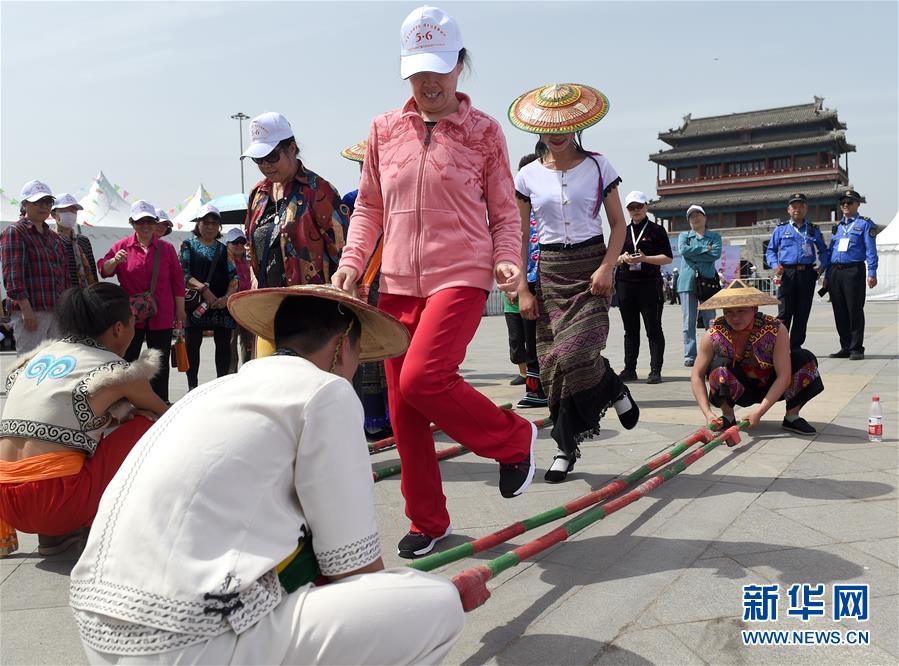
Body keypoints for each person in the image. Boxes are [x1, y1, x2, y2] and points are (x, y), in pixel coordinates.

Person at [69, 284, 464, 665]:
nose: (355, 369)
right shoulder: (326, 391)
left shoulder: (212, 390)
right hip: (190, 642)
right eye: (358, 355)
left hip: (96, 627)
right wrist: (392, 601)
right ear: (342, 346)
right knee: (437, 602)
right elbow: (352, 566)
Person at [332, 5, 537, 558]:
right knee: (404, 410)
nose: (428, 82)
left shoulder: (484, 132)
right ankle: (428, 521)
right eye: (418, 70)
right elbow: (369, 208)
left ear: (460, 66)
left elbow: (504, 210)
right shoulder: (383, 130)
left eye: (439, 68)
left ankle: (515, 440)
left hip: (462, 274)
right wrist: (353, 262)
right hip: (396, 283)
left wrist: (507, 261)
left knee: (424, 379)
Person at [510, 82, 639, 483]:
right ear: (538, 128)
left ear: (578, 122)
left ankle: (610, 390)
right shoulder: (527, 176)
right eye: (549, 125)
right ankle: (567, 446)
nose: (557, 130)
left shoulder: (600, 166)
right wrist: (523, 289)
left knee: (577, 351)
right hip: (549, 270)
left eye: (565, 123)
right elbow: (518, 234)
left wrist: (607, 267)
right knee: (553, 366)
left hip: (591, 265)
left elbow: (618, 224)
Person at [0, 283, 168, 559]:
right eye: (132, 324)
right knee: (146, 425)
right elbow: (166, 416)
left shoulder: (35, 359)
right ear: (118, 328)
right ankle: (107, 527)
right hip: (56, 502)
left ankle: (54, 538)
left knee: (84, 433)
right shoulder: (115, 370)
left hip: (6, 501)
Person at [691, 280, 823, 434]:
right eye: (729, 312)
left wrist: (759, 412)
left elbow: (784, 376)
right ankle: (727, 415)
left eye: (741, 311)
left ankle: (792, 416)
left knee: (804, 358)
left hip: (771, 384)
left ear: (754, 309)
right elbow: (696, 375)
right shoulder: (713, 334)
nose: (735, 318)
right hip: (739, 388)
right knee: (720, 366)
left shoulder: (776, 330)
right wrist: (707, 413)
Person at [243, 112, 349, 291]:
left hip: (313, 309)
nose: (265, 165)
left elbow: (344, 250)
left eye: (271, 156)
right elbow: (250, 247)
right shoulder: (258, 194)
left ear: (291, 148)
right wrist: (255, 279)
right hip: (269, 306)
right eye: (258, 159)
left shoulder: (318, 191)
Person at [98, 200, 186, 402]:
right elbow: (104, 270)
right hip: (131, 316)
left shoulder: (166, 249)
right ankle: (127, 402)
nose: (145, 226)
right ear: (132, 223)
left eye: (149, 221)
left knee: (159, 364)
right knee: (128, 360)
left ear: (155, 223)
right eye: (140, 222)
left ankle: (159, 402)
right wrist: (114, 261)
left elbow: (177, 281)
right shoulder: (122, 246)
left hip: (162, 314)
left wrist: (180, 311)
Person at [341, 139, 393, 439]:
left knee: (395, 345)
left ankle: (397, 413)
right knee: (366, 351)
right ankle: (372, 416)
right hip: (363, 279)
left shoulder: (398, 193)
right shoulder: (351, 199)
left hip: (395, 276)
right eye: (363, 166)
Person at [0, 180, 71, 355]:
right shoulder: (15, 232)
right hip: (31, 311)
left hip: (56, 311)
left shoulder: (54, 237)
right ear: (25, 204)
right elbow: (13, 275)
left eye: (48, 202)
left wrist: (66, 309)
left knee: (55, 364)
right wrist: (26, 309)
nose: (43, 206)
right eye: (37, 202)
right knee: (28, 365)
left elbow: (64, 275)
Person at [615, 191, 673, 384]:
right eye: (632, 207)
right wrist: (622, 258)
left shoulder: (657, 230)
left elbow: (667, 257)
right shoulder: (622, 231)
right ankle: (629, 369)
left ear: (646, 206)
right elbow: (612, 259)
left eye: (639, 206)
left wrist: (645, 258)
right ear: (627, 210)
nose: (636, 210)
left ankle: (655, 370)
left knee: (653, 328)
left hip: (649, 285)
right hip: (626, 285)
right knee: (630, 330)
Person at [179, 204, 237, 390]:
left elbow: (234, 276)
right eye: (206, 222)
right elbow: (183, 274)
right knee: (192, 348)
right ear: (198, 223)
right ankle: (192, 389)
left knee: (223, 350)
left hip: (221, 306)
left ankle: (220, 388)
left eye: (215, 223)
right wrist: (204, 289)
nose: (210, 226)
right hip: (196, 305)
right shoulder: (187, 245)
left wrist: (227, 297)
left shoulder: (224, 249)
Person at [764, 193, 829, 349]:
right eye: (794, 206)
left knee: (802, 312)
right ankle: (780, 345)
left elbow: (824, 251)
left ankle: (795, 347)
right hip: (787, 273)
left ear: (806, 209)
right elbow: (770, 251)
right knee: (784, 312)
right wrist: (775, 265)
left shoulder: (813, 230)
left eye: (801, 206)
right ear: (788, 210)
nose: (797, 209)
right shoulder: (781, 229)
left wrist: (821, 268)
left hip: (807, 273)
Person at [825, 189, 878, 360]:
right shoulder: (837, 227)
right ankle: (845, 346)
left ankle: (856, 348)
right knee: (839, 310)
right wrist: (826, 275)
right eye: (843, 203)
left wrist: (872, 272)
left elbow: (871, 250)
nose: (845, 206)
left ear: (857, 204)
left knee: (854, 309)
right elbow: (830, 251)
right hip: (835, 271)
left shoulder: (865, 224)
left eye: (849, 202)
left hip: (853, 270)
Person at [515, 153, 547, 408]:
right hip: (527, 281)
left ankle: (555, 386)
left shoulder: (549, 206)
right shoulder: (515, 214)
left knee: (551, 336)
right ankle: (536, 390)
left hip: (551, 277)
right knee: (529, 338)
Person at [677, 204, 722, 367]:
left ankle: (713, 352)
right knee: (688, 321)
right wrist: (705, 249)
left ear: (705, 217)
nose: (694, 218)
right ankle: (690, 355)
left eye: (698, 214)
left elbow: (715, 254)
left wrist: (694, 252)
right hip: (687, 282)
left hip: (707, 282)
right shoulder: (684, 236)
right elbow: (683, 251)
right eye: (691, 216)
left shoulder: (715, 236)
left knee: (711, 320)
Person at [51, 193, 98, 289]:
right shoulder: (49, 240)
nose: (70, 213)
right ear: (53, 214)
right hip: (62, 296)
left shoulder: (83, 241)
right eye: (65, 209)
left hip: (85, 294)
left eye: (74, 210)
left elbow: (92, 271)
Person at [224, 227, 254, 372]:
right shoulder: (223, 262)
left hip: (247, 307)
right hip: (229, 308)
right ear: (228, 244)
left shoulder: (250, 261)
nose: (239, 245)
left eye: (242, 242)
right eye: (235, 242)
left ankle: (246, 373)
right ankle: (231, 374)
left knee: (248, 344)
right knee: (230, 344)